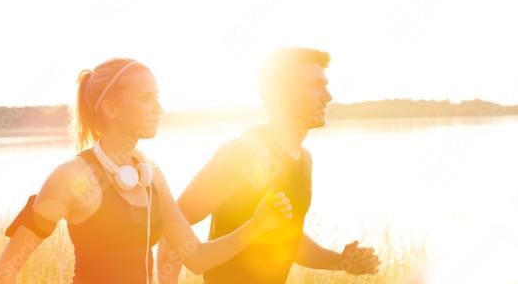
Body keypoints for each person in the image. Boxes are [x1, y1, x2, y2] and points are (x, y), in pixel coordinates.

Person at [0, 58, 294, 284]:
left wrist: (256, 226)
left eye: (157, 98)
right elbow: (5, 271)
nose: (158, 110)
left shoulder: (151, 176)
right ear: (111, 109)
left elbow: (197, 259)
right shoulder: (72, 178)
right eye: (145, 99)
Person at [157, 47, 380, 283]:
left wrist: (342, 261)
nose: (328, 96)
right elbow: (172, 228)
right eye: (315, 86)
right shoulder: (243, 152)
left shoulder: (303, 159)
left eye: (325, 85)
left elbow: (290, 241)